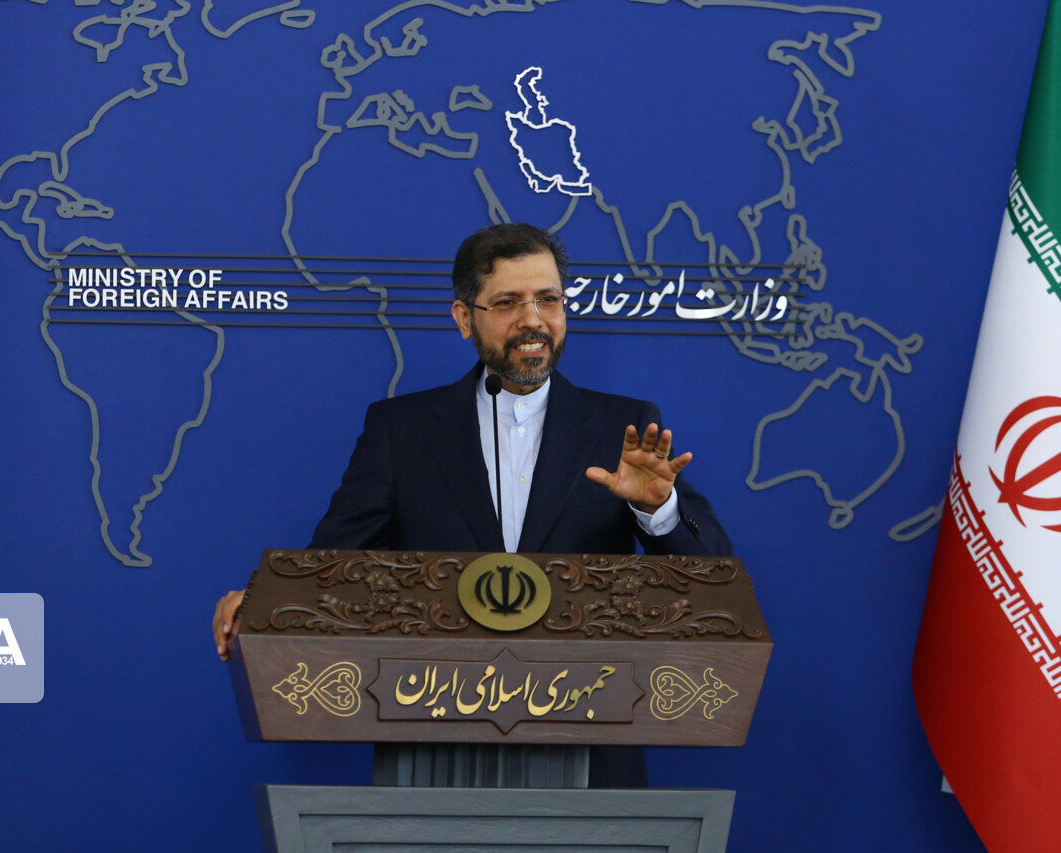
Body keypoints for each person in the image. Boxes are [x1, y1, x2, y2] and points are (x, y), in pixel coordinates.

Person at [212, 223, 733, 784]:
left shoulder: (622, 427)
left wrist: (658, 508)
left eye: (548, 299)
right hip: (435, 747)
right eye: (507, 303)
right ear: (465, 318)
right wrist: (265, 601)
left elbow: (712, 579)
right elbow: (334, 563)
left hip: (591, 745)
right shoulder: (401, 431)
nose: (533, 320)